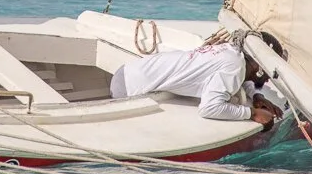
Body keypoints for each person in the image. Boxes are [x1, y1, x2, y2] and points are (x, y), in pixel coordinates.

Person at [109, 31, 286, 131]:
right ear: (259, 67)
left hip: (128, 72)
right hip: (129, 89)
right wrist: (252, 113)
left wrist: (256, 95)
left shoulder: (232, 52)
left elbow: (239, 78)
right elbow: (209, 108)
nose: (269, 76)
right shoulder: (235, 68)